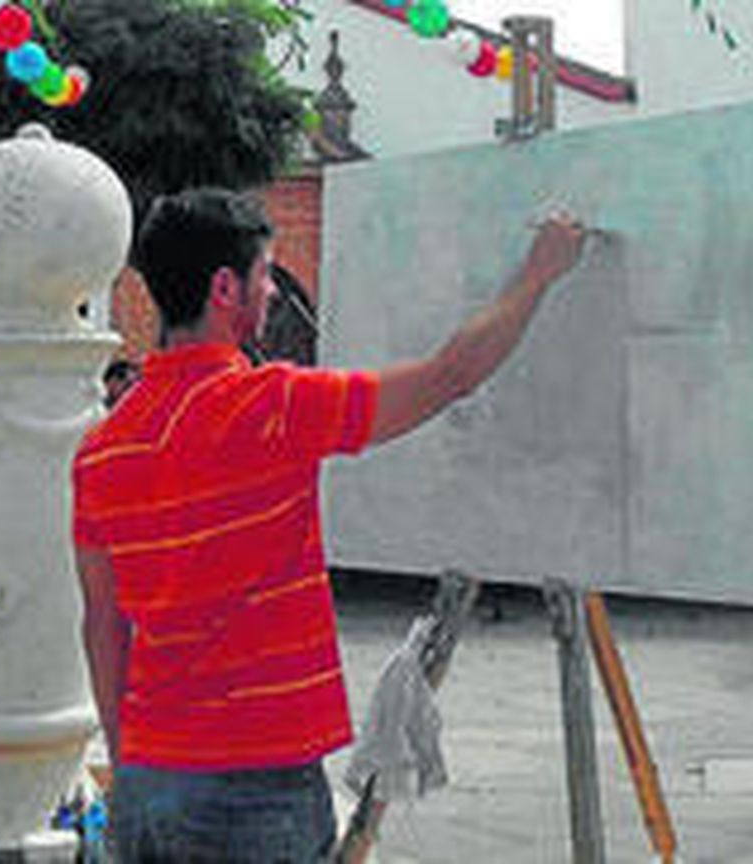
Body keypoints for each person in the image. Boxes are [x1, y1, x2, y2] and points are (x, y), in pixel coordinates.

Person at [70, 188, 587, 862]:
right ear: (224, 288)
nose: (273, 297)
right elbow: (451, 374)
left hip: (148, 773)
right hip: (257, 781)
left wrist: (130, 756)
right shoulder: (273, 405)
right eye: (264, 278)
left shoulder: (102, 449)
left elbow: (103, 625)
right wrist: (539, 272)